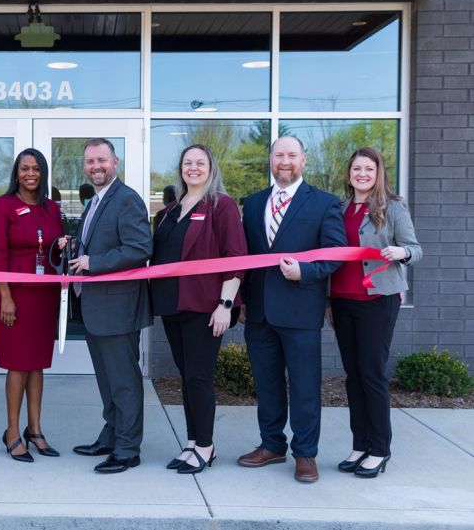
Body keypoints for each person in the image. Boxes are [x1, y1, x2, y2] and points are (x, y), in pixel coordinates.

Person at [238, 136, 346, 483]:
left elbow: (334, 252)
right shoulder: (253, 204)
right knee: (267, 384)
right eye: (279, 155)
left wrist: (306, 272)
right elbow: (245, 258)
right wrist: (240, 302)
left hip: (300, 310)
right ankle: (271, 444)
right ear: (270, 159)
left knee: (304, 386)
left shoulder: (325, 203)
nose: (285, 161)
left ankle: (305, 454)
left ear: (304, 159)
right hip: (259, 312)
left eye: (291, 155)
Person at [150, 145, 246, 475]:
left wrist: (225, 304)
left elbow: (235, 258)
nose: (193, 168)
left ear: (210, 168)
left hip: (205, 307)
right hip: (173, 306)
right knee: (187, 378)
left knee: (199, 377)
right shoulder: (170, 211)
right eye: (187, 163)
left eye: (200, 163)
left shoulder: (222, 206)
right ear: (181, 169)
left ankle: (206, 445)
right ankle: (192, 442)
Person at [327, 147, 422, 478]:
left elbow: (416, 249)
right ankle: (360, 443)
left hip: (378, 300)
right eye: (357, 168)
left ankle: (379, 448)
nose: (362, 174)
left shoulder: (392, 206)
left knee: (372, 373)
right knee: (353, 376)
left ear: (378, 172)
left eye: (368, 168)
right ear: (349, 173)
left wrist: (401, 251)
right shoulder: (339, 207)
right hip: (341, 300)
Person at [69, 138, 152, 474]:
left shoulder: (127, 199)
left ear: (115, 161)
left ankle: (128, 449)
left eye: (101, 159)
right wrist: (73, 245)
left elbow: (139, 248)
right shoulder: (96, 200)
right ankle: (111, 434)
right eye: (90, 161)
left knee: (124, 381)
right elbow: (100, 243)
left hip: (118, 308)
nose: (95, 166)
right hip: (96, 308)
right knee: (107, 380)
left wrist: (93, 262)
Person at [0, 148, 64, 463]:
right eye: (24, 169)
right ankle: (11, 431)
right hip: (13, 295)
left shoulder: (52, 209)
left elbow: (53, 254)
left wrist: (63, 247)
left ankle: (35, 429)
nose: (30, 174)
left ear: (43, 173)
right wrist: (5, 296)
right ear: (16, 173)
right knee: (18, 363)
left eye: (36, 168)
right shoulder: (2, 206)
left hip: (43, 295)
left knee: (37, 364)